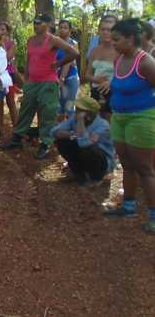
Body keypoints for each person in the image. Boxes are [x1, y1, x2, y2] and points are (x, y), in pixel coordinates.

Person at [0, 13, 79, 159]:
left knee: (48, 112)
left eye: (39, 23)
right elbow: (29, 59)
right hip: (32, 82)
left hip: (48, 82)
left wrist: (58, 64)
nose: (36, 25)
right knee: (25, 109)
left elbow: (74, 52)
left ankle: (45, 144)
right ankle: (17, 138)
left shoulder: (53, 40)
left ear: (48, 25)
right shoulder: (31, 40)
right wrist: (27, 79)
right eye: (35, 23)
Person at [103, 19, 155, 233]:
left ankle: (153, 215)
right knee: (126, 163)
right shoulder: (119, 60)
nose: (112, 43)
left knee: (144, 168)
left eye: (116, 39)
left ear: (130, 39)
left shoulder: (146, 62)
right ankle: (129, 206)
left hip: (141, 119)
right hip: (120, 117)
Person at [50, 96, 115, 185]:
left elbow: (85, 143)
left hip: (102, 161)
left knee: (89, 150)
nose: (76, 111)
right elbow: (54, 132)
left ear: (89, 113)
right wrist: (72, 134)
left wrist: (80, 121)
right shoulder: (74, 118)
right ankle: (79, 173)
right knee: (62, 142)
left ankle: (96, 178)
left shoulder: (103, 126)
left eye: (79, 110)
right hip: (83, 154)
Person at [83, 16, 118, 121]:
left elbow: (127, 73)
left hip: (114, 91)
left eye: (109, 30)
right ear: (99, 31)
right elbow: (87, 74)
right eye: (103, 30)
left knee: (110, 121)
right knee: (96, 121)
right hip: (96, 92)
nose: (106, 32)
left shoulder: (120, 51)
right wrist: (96, 79)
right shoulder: (94, 51)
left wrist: (110, 82)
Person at [56, 19, 80, 119]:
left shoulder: (73, 44)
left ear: (70, 30)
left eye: (65, 28)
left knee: (69, 106)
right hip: (57, 79)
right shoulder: (55, 43)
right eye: (60, 27)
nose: (62, 30)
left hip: (70, 78)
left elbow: (70, 62)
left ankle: (72, 131)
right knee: (59, 107)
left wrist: (62, 78)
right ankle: (60, 130)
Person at [0, 21, 19, 126]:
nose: (0, 32)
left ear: (8, 31)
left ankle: (17, 127)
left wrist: (2, 44)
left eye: (3, 30)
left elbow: (7, 57)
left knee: (10, 102)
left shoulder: (12, 44)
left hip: (8, 75)